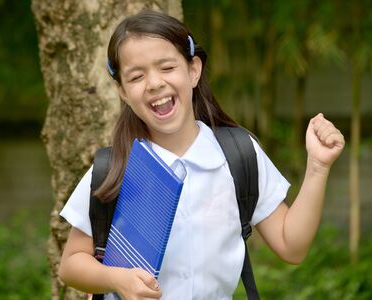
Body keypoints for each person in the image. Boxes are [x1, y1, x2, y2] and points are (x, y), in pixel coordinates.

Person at [58, 10, 345, 300]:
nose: (155, 83)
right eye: (136, 76)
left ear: (193, 70)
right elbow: (70, 265)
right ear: (122, 91)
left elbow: (291, 246)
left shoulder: (236, 154)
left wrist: (317, 167)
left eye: (167, 67)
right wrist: (116, 279)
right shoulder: (116, 168)